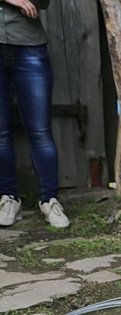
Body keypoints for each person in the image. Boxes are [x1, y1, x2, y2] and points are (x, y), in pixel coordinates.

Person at [0, 0, 70, 228]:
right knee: (1, 132)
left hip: (29, 46)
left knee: (40, 131)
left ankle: (49, 200)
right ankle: (8, 198)